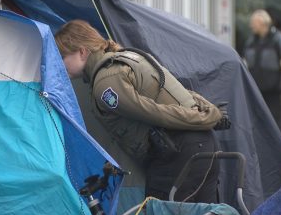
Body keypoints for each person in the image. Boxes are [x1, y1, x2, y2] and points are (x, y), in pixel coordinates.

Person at [55, 20, 230, 203]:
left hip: (179, 154)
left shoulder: (106, 83)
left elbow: (156, 113)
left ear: (82, 52)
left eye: (62, 57)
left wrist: (208, 117)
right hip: (202, 146)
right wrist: (208, 113)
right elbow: (181, 93)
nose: (59, 65)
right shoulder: (128, 57)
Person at [242, 9, 281, 135]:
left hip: (275, 93)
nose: (251, 25)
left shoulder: (279, 39)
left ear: (263, 24)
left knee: (276, 126)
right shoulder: (251, 41)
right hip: (256, 90)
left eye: (254, 23)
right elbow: (245, 63)